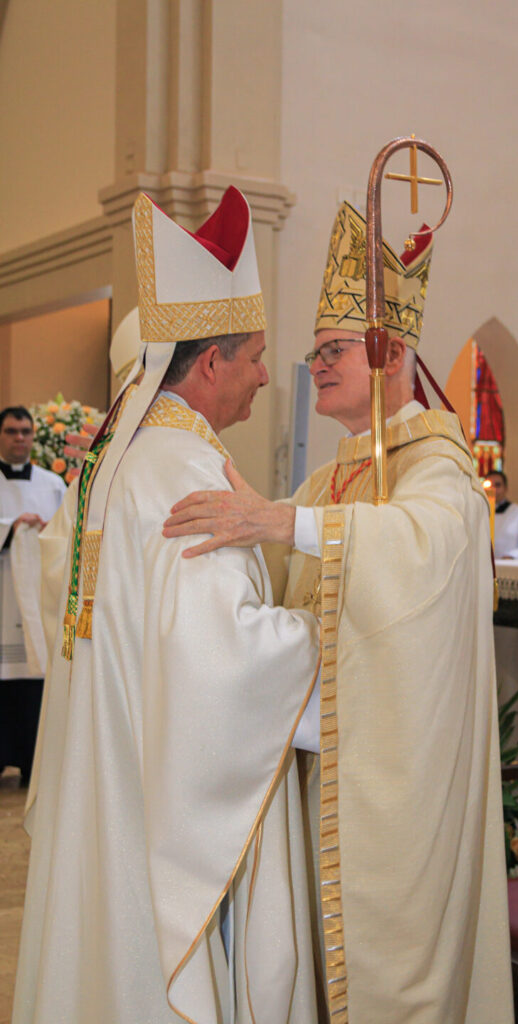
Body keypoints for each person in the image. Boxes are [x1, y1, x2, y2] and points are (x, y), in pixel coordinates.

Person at [163, 200, 514, 1023]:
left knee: (395, 974)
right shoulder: (334, 478)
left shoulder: (441, 470)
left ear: (390, 354)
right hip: (331, 771)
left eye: (332, 350)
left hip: (403, 788)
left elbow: (423, 545)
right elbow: (284, 558)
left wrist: (279, 521)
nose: (314, 365)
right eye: (313, 353)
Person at [12, 188, 322, 1024]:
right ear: (210, 362)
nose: (266, 373)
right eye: (255, 355)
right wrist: (333, 639)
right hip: (162, 791)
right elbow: (219, 658)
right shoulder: (183, 470)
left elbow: (65, 594)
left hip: (108, 765)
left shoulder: (115, 464)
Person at [0, 406, 65, 785]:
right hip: (4, 591)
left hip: (36, 596)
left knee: (32, 678)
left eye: (25, 431)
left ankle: (30, 763)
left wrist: (42, 532)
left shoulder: (53, 484)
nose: (19, 437)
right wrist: (12, 529)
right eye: (11, 431)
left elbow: (63, 535)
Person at [485, 469, 518, 559]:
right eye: (489, 485)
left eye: (498, 485)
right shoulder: (477, 515)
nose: (493, 489)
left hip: (511, 568)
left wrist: (513, 555)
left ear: (506, 488)